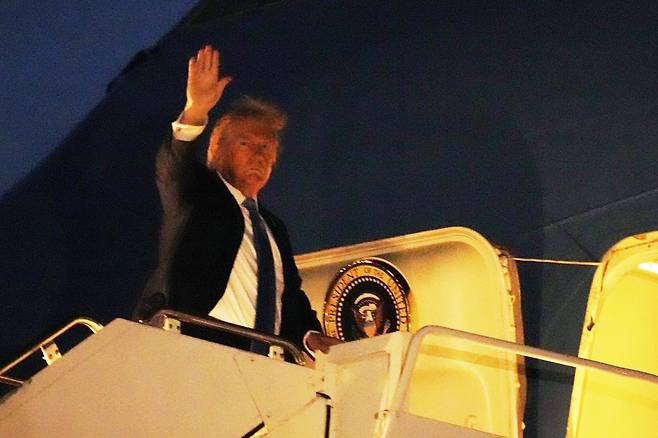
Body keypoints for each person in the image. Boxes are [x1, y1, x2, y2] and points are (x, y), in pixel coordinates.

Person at [133, 45, 339, 356]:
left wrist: (311, 337)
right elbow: (173, 165)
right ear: (216, 149)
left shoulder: (273, 228)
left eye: (267, 148)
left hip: (267, 363)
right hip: (194, 349)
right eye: (247, 143)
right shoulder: (196, 194)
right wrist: (195, 110)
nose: (260, 155)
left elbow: (289, 296)